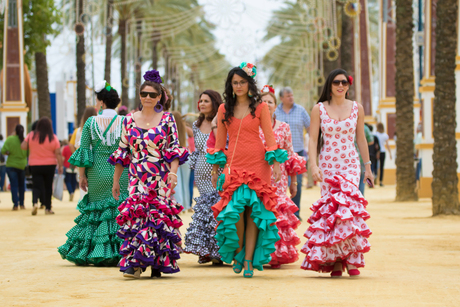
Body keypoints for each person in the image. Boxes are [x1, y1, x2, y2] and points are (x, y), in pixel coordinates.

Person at [207, 62, 287, 278]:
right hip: (234, 165)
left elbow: (269, 138)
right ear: (230, 85)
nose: (239, 86)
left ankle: (249, 260)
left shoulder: (260, 107)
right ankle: (240, 252)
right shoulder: (224, 109)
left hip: (258, 165)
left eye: (242, 82)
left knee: (254, 214)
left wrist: (276, 164)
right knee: (236, 212)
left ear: (249, 83)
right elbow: (220, 142)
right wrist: (216, 168)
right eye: (235, 82)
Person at [109, 70, 189, 279]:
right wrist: (116, 181)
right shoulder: (128, 120)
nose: (147, 98)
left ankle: (157, 263)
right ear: (140, 95)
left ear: (160, 97)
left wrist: (173, 173)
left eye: (152, 95)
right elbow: (122, 153)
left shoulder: (168, 119)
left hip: (160, 177)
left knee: (157, 219)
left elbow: (173, 149)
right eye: (144, 94)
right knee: (138, 217)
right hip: (136, 177)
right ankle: (135, 264)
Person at [300, 69, 373, 277]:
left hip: (350, 165)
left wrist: (367, 167)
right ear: (330, 86)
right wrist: (313, 166)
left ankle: (350, 259)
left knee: (348, 211)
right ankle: (336, 261)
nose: (340, 86)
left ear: (348, 86)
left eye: (344, 82)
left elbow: (361, 139)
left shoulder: (357, 108)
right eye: (336, 82)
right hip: (327, 166)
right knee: (333, 213)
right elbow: (313, 139)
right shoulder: (319, 109)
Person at [58, 81, 129, 266]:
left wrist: (82, 176)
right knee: (118, 209)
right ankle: (121, 249)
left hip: (97, 171)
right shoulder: (125, 121)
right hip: (121, 171)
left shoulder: (90, 122)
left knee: (97, 210)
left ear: (101, 103)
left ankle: (96, 251)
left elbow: (84, 151)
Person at [259, 85, 306, 269]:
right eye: (262, 102)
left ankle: (277, 254)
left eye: (269, 102)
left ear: (275, 105)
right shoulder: (254, 127)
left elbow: (290, 154)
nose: (266, 104)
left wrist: (294, 181)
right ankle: (261, 253)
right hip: (259, 176)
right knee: (262, 212)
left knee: (277, 213)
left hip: (280, 178)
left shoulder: (284, 128)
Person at [184, 89, 224, 264]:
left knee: (216, 209)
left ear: (214, 103)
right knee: (205, 210)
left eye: (206, 101)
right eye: (200, 101)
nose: (201, 104)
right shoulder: (195, 124)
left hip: (218, 172)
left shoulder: (222, 122)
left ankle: (217, 251)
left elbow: (222, 145)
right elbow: (196, 150)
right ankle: (205, 250)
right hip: (200, 173)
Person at [274, 86, 311, 219]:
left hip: (298, 152)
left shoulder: (301, 110)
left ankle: (296, 213)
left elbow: (310, 127)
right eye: (288, 95)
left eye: (292, 95)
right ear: (281, 98)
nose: (291, 97)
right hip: (279, 155)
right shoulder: (275, 111)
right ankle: (282, 212)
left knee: (297, 183)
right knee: (281, 183)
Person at [22, 117, 63, 215]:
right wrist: (60, 166)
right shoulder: (53, 137)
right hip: (50, 165)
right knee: (48, 186)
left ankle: (35, 202)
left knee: (36, 185)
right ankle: (48, 208)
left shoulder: (31, 135)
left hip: (35, 165)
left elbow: (23, 146)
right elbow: (58, 153)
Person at [1, 125, 28, 210]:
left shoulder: (10, 139)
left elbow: (3, 151)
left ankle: (15, 204)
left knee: (13, 185)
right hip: (22, 165)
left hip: (11, 165)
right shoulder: (25, 140)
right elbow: (28, 152)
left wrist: (9, 153)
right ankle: (22, 203)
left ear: (15, 130)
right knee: (21, 185)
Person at [171, 110, 191, 211]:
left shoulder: (171, 129)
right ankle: (186, 205)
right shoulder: (184, 128)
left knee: (177, 183)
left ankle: (179, 204)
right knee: (185, 184)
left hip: (176, 156)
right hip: (186, 155)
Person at [356, 124, 374, 195]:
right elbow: (371, 141)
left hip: (348, 158)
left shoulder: (346, 123)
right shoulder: (365, 128)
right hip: (362, 157)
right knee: (362, 180)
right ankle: (360, 199)